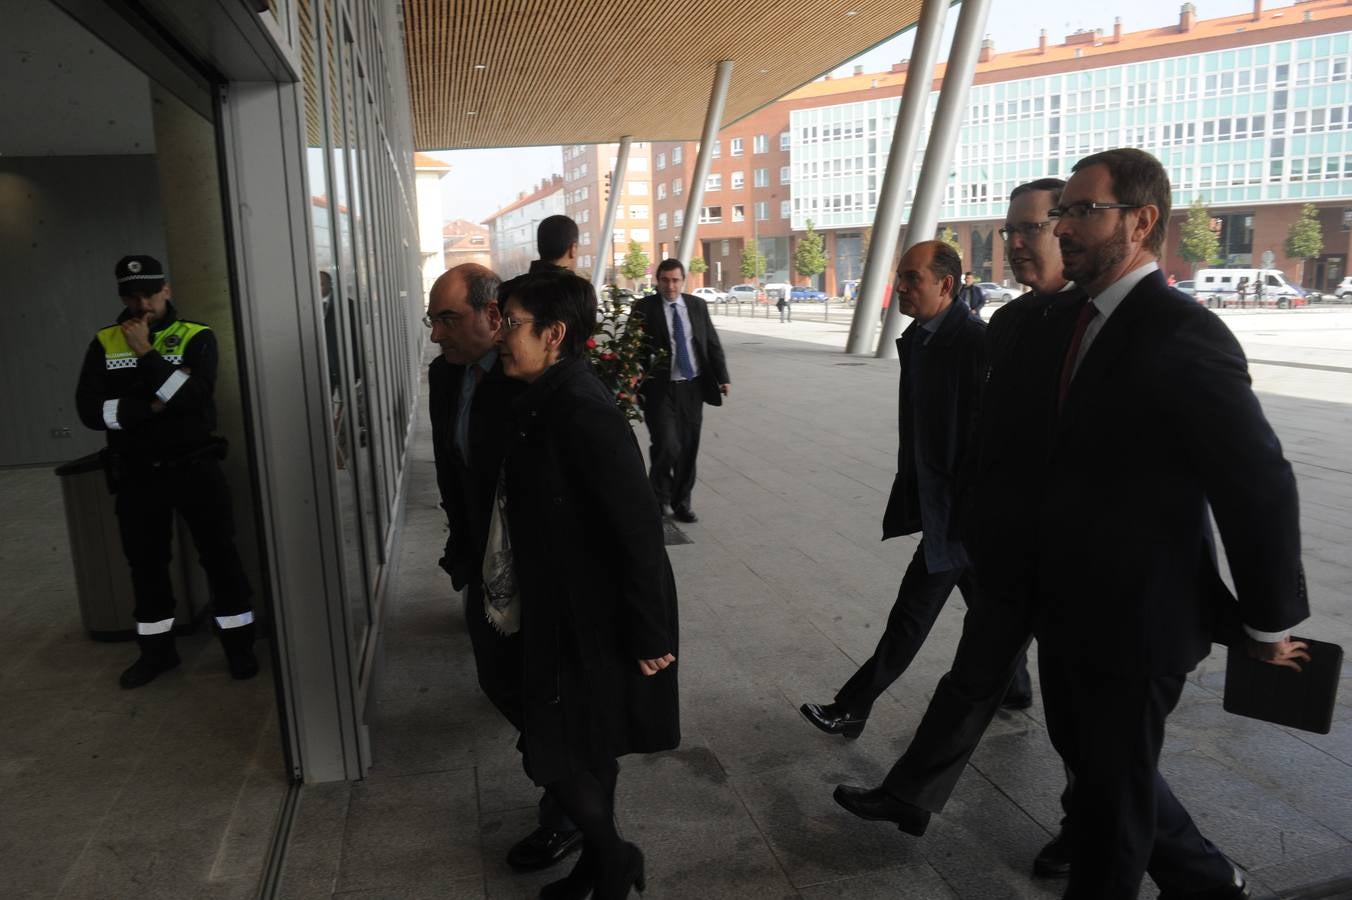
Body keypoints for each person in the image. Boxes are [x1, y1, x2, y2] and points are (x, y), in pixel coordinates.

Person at [1038, 148, 1307, 898]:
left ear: (1142, 219)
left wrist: (1266, 622)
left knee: (1110, 809)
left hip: (1139, 618)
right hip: (1068, 604)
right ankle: (1205, 878)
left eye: (1081, 211)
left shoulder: (1180, 331)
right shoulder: (1076, 319)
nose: (1063, 228)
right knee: (1096, 765)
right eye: (1061, 212)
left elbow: (1257, 480)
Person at [831, 179, 1079, 876]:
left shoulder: (1115, 321)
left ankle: (1177, 858)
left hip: (1067, 553)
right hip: (1003, 541)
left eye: (1035, 226)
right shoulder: (1016, 324)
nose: (1019, 241)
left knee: (1085, 721)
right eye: (1012, 230)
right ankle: (910, 796)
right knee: (972, 678)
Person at [496, 272, 680, 900]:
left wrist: (649, 630)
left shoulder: (581, 408)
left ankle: (614, 855)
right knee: (587, 744)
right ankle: (599, 865)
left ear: (553, 335)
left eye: (512, 322)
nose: (500, 334)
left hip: (594, 613)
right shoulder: (545, 395)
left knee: (552, 750)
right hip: (563, 603)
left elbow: (636, 529)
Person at [801, 240, 1031, 741]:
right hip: (943, 501)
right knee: (988, 607)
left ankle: (852, 705)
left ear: (945, 285)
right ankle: (1016, 687)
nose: (900, 287)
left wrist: (964, 506)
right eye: (900, 278)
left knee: (912, 613)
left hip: (960, 510)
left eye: (911, 279)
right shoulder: (922, 336)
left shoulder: (972, 342)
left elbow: (986, 432)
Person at [426, 262, 585, 874]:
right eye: (433, 319)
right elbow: (453, 465)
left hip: (538, 567)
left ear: (493, 318)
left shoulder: (531, 380)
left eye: (448, 318)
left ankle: (568, 810)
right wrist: (461, 544)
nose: (437, 334)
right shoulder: (446, 376)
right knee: (499, 678)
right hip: (483, 560)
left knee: (541, 686)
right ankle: (564, 764)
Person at [75, 255, 257, 688]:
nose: (141, 304)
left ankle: (239, 649)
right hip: (137, 473)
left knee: (220, 557)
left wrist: (146, 354)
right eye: (131, 295)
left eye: (149, 294)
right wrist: (155, 403)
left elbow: (195, 400)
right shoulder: (104, 341)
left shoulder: (196, 336)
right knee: (146, 566)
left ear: (166, 290)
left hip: (194, 466)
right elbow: (90, 412)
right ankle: (157, 654)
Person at [630, 258, 731, 523]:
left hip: (692, 388)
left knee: (688, 448)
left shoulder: (697, 306)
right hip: (659, 390)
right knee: (667, 444)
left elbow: (711, 341)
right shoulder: (644, 308)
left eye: (675, 280)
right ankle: (658, 498)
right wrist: (631, 378)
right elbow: (633, 347)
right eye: (665, 280)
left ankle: (681, 502)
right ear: (658, 281)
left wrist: (723, 377)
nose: (670, 286)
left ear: (683, 280)